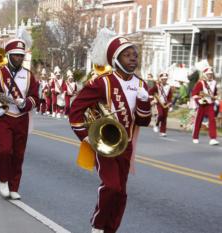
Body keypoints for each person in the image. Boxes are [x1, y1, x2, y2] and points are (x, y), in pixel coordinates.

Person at [69, 29, 152, 233]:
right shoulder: (102, 82)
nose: (133, 59)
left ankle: (110, 229)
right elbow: (75, 110)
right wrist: (87, 137)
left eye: (135, 55)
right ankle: (97, 225)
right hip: (104, 144)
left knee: (121, 194)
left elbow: (144, 121)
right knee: (111, 187)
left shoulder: (141, 85)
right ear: (116, 58)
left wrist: (143, 101)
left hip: (126, 146)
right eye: (127, 55)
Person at [0, 37, 39, 199]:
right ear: (9, 55)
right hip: (4, 117)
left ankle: (14, 186)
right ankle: (3, 179)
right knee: (5, 150)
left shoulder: (29, 75)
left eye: (21, 55)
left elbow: (35, 97)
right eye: (16, 55)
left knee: (19, 154)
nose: (19, 58)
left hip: (21, 118)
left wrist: (24, 104)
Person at [191, 66, 219, 145]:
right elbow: (194, 94)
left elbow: (214, 93)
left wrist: (215, 98)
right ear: (205, 74)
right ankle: (195, 137)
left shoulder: (214, 82)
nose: (210, 75)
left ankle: (213, 138)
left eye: (211, 74)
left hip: (210, 104)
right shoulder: (201, 83)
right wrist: (199, 100)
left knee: (212, 120)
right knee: (198, 120)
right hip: (202, 104)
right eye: (208, 74)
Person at [149, 72, 173, 137]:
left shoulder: (169, 87)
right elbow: (150, 92)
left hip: (166, 104)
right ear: (161, 79)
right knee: (160, 115)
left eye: (165, 79)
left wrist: (170, 105)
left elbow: (170, 97)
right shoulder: (157, 86)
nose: (164, 80)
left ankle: (163, 131)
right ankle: (156, 124)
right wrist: (152, 100)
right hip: (159, 103)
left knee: (164, 118)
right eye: (163, 79)